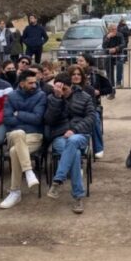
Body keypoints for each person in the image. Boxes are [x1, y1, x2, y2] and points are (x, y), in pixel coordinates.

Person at [45, 72, 95, 214]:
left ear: (71, 86)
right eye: (58, 89)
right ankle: (78, 197)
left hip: (79, 135)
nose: (62, 92)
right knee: (76, 155)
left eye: (64, 89)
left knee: (73, 142)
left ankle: (58, 180)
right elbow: (49, 120)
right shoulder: (52, 98)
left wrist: (74, 129)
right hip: (59, 137)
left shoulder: (85, 97)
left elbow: (91, 118)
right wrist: (57, 99)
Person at [0, 70, 47, 209]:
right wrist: (27, 118)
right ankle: (28, 171)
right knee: (18, 133)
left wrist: (18, 113)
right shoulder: (11, 96)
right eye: (30, 83)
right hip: (14, 135)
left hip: (34, 136)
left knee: (15, 152)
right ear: (21, 83)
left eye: (35, 82)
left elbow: (38, 119)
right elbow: (7, 119)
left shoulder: (41, 95)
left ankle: (15, 192)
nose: (34, 85)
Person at [102, 23, 127, 95]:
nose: (114, 31)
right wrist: (107, 38)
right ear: (109, 30)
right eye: (112, 29)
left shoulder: (120, 35)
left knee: (120, 64)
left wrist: (116, 48)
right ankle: (112, 91)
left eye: (115, 29)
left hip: (118, 54)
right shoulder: (106, 36)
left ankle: (118, 81)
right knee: (109, 73)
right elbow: (104, 46)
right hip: (109, 55)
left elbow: (123, 44)